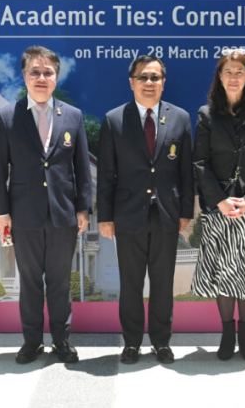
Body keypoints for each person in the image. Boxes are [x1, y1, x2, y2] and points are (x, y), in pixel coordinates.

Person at [0, 46, 91, 364]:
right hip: (24, 215)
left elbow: (82, 169)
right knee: (31, 283)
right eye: (35, 71)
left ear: (56, 77)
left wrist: (83, 208)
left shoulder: (72, 117)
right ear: (25, 76)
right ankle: (32, 342)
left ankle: (62, 341)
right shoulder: (8, 116)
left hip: (63, 215)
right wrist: (2, 213)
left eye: (48, 72)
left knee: (59, 284)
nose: (42, 77)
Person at [97, 55, 194, 365]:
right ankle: (132, 343)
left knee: (163, 283)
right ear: (132, 82)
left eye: (155, 77)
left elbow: (186, 172)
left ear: (163, 82)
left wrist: (186, 212)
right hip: (127, 215)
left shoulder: (180, 118)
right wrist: (105, 216)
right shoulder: (114, 119)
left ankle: (162, 342)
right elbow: (107, 174)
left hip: (167, 214)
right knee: (131, 284)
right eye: (143, 77)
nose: (149, 83)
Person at [190, 48, 245, 362]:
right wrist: (220, 200)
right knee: (226, 272)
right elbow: (199, 162)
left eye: (240, 71)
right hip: (219, 206)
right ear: (220, 76)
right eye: (228, 71)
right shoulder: (206, 114)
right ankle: (227, 334)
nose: (234, 77)